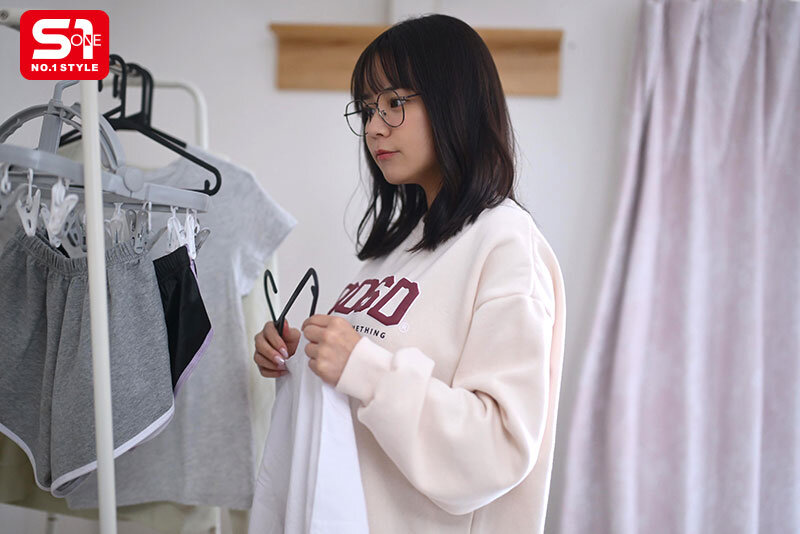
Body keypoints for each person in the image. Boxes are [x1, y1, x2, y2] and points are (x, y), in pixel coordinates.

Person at [253, 13, 566, 534]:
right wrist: (298, 357)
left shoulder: (507, 244)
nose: (374, 127)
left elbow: (500, 448)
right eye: (367, 109)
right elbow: (356, 391)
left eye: (394, 103)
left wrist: (362, 367)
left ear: (455, 101)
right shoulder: (396, 250)